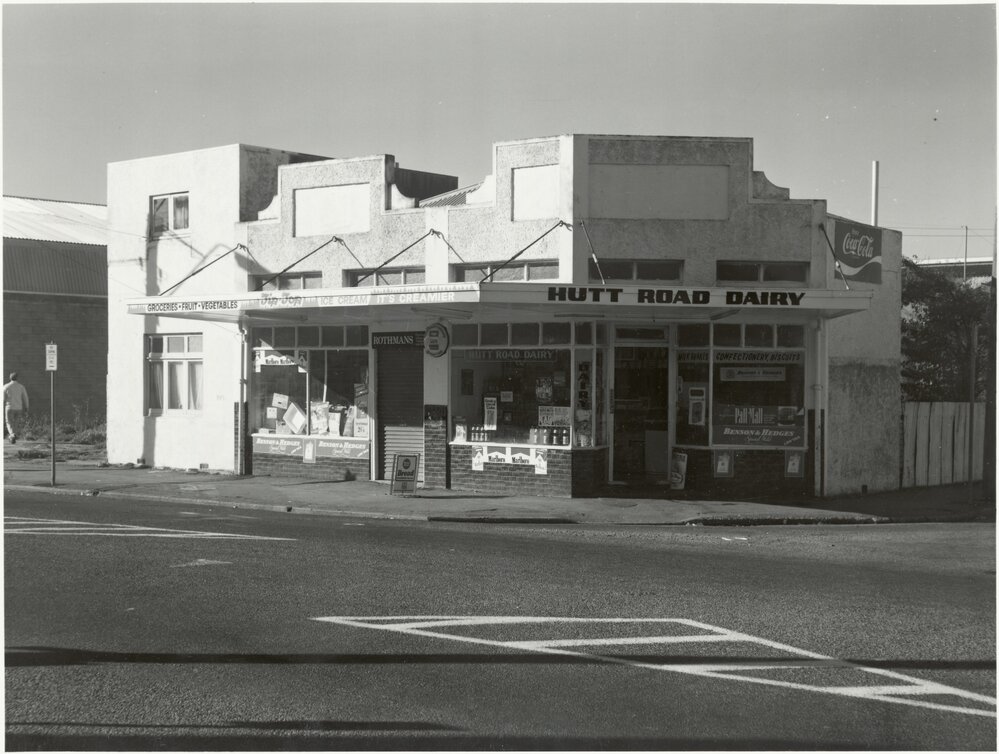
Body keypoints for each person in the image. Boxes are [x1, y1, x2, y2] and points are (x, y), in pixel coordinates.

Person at [4, 372, 29, 444]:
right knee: (16, 423)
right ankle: (13, 435)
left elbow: (2, 399)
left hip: (9, 407)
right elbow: (25, 398)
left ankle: (12, 435)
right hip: (19, 408)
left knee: (9, 422)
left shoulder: (6, 386)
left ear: (10, 378)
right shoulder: (21, 387)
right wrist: (27, 407)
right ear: (17, 378)